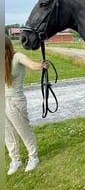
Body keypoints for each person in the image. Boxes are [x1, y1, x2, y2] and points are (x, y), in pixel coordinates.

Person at [5, 35, 49, 175]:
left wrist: (42, 65)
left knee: (24, 131)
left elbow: (31, 64)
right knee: (8, 134)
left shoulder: (17, 57)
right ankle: (15, 160)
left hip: (15, 102)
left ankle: (33, 157)